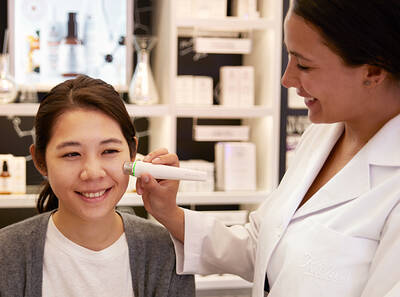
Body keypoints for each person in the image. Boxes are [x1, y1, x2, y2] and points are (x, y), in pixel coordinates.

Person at [135, 0, 400, 296]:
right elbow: (264, 248)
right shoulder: (321, 136)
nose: (287, 79)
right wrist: (170, 213)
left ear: (373, 71)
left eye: (304, 64)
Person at [0, 75, 195, 297]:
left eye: (109, 151)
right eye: (71, 154)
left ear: (132, 153)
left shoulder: (166, 255)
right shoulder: (6, 255)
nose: (92, 172)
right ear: (41, 161)